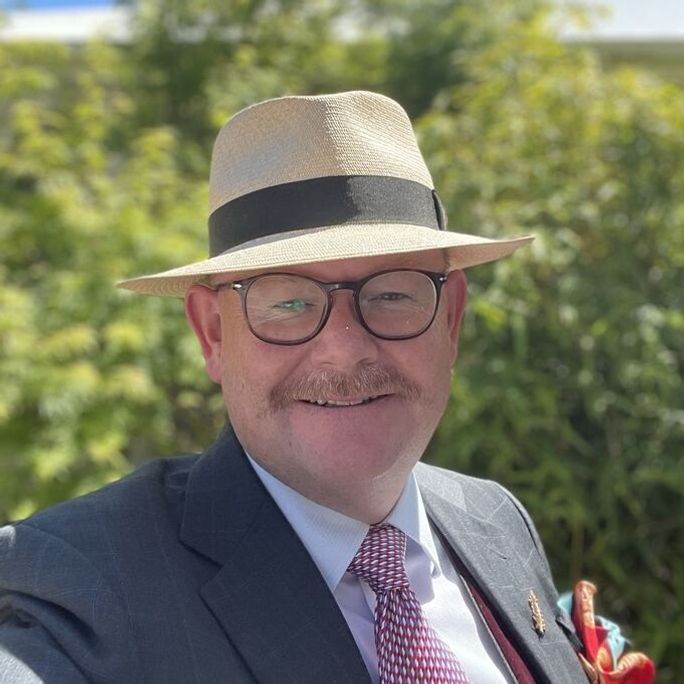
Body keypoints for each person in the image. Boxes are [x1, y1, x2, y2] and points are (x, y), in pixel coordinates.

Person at [0, 91, 588, 683]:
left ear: (451, 319)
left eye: (391, 294)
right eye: (287, 301)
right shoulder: (80, 585)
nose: (345, 348)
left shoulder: (495, 520)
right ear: (212, 336)